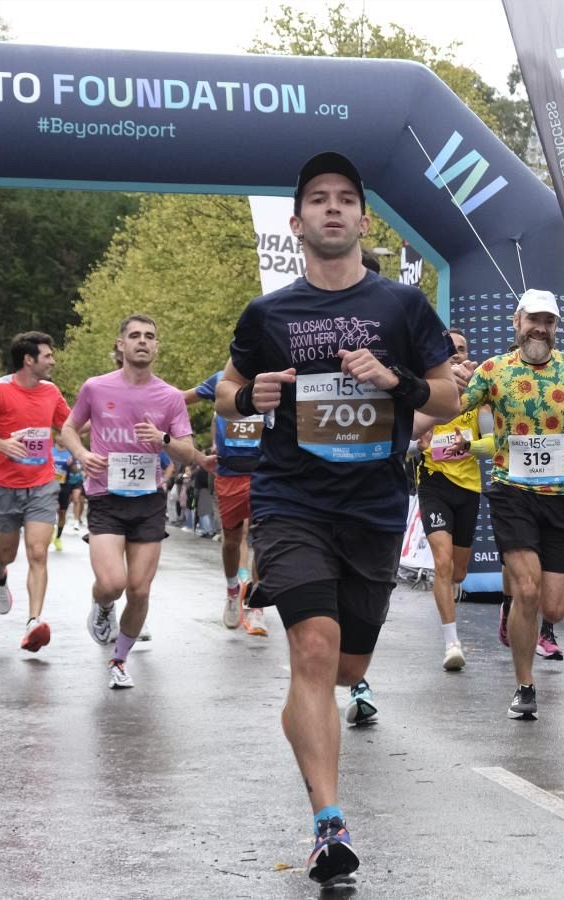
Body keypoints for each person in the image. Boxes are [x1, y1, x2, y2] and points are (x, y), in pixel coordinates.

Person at [212, 151, 460, 885]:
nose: (331, 208)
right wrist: (247, 396)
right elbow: (226, 391)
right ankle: (329, 824)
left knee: (346, 668)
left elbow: (446, 397)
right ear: (297, 222)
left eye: (345, 199)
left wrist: (394, 379)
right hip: (293, 500)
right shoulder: (268, 313)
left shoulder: (402, 308)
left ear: (361, 218)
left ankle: (305, 715)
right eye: (317, 199)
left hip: (375, 508)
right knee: (314, 652)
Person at [455, 287, 564, 721]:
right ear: (517, 322)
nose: (541, 328)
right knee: (527, 588)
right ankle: (525, 686)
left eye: (549, 321)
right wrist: (438, 407)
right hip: (512, 491)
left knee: (554, 606)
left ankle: (517, 611)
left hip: (562, 498)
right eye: (533, 320)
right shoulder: (493, 371)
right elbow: (455, 405)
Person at [60, 314, 208, 689]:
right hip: (106, 495)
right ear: (121, 345)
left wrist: (162, 439)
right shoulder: (95, 387)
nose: (143, 341)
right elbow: (67, 427)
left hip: (148, 500)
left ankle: (119, 659)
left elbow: (189, 454)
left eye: (150, 336)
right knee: (112, 583)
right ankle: (103, 606)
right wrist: (80, 452)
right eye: (135, 336)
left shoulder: (170, 397)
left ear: (157, 347)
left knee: (140, 589)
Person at [0, 331, 73, 653]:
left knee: (38, 552)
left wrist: (112, 417)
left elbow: (70, 426)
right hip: (5, 487)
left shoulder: (51, 392)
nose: (53, 360)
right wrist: (2, 444)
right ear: (29, 359)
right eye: (48, 355)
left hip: (42, 483)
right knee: (9, 553)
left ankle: (34, 621)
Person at [410, 328, 495, 670]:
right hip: (434, 483)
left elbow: (492, 444)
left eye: (461, 349)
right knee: (442, 564)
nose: (456, 354)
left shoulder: (479, 399)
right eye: (450, 349)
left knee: (458, 571)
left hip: (468, 489)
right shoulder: (426, 392)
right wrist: (418, 444)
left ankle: (448, 593)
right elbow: (407, 433)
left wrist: (468, 446)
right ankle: (452, 643)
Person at [188, 368, 268, 631]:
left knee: (263, 539)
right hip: (229, 472)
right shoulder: (221, 378)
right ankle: (233, 591)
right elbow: (180, 398)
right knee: (232, 540)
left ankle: (257, 604)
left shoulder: (278, 370)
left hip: (266, 471)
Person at [52, 444, 76, 552]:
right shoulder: (50, 449)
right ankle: (47, 533)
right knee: (49, 510)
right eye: (59, 434)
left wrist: (71, 465)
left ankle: (58, 537)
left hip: (64, 485)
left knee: (62, 512)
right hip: (49, 484)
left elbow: (76, 470)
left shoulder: (70, 452)